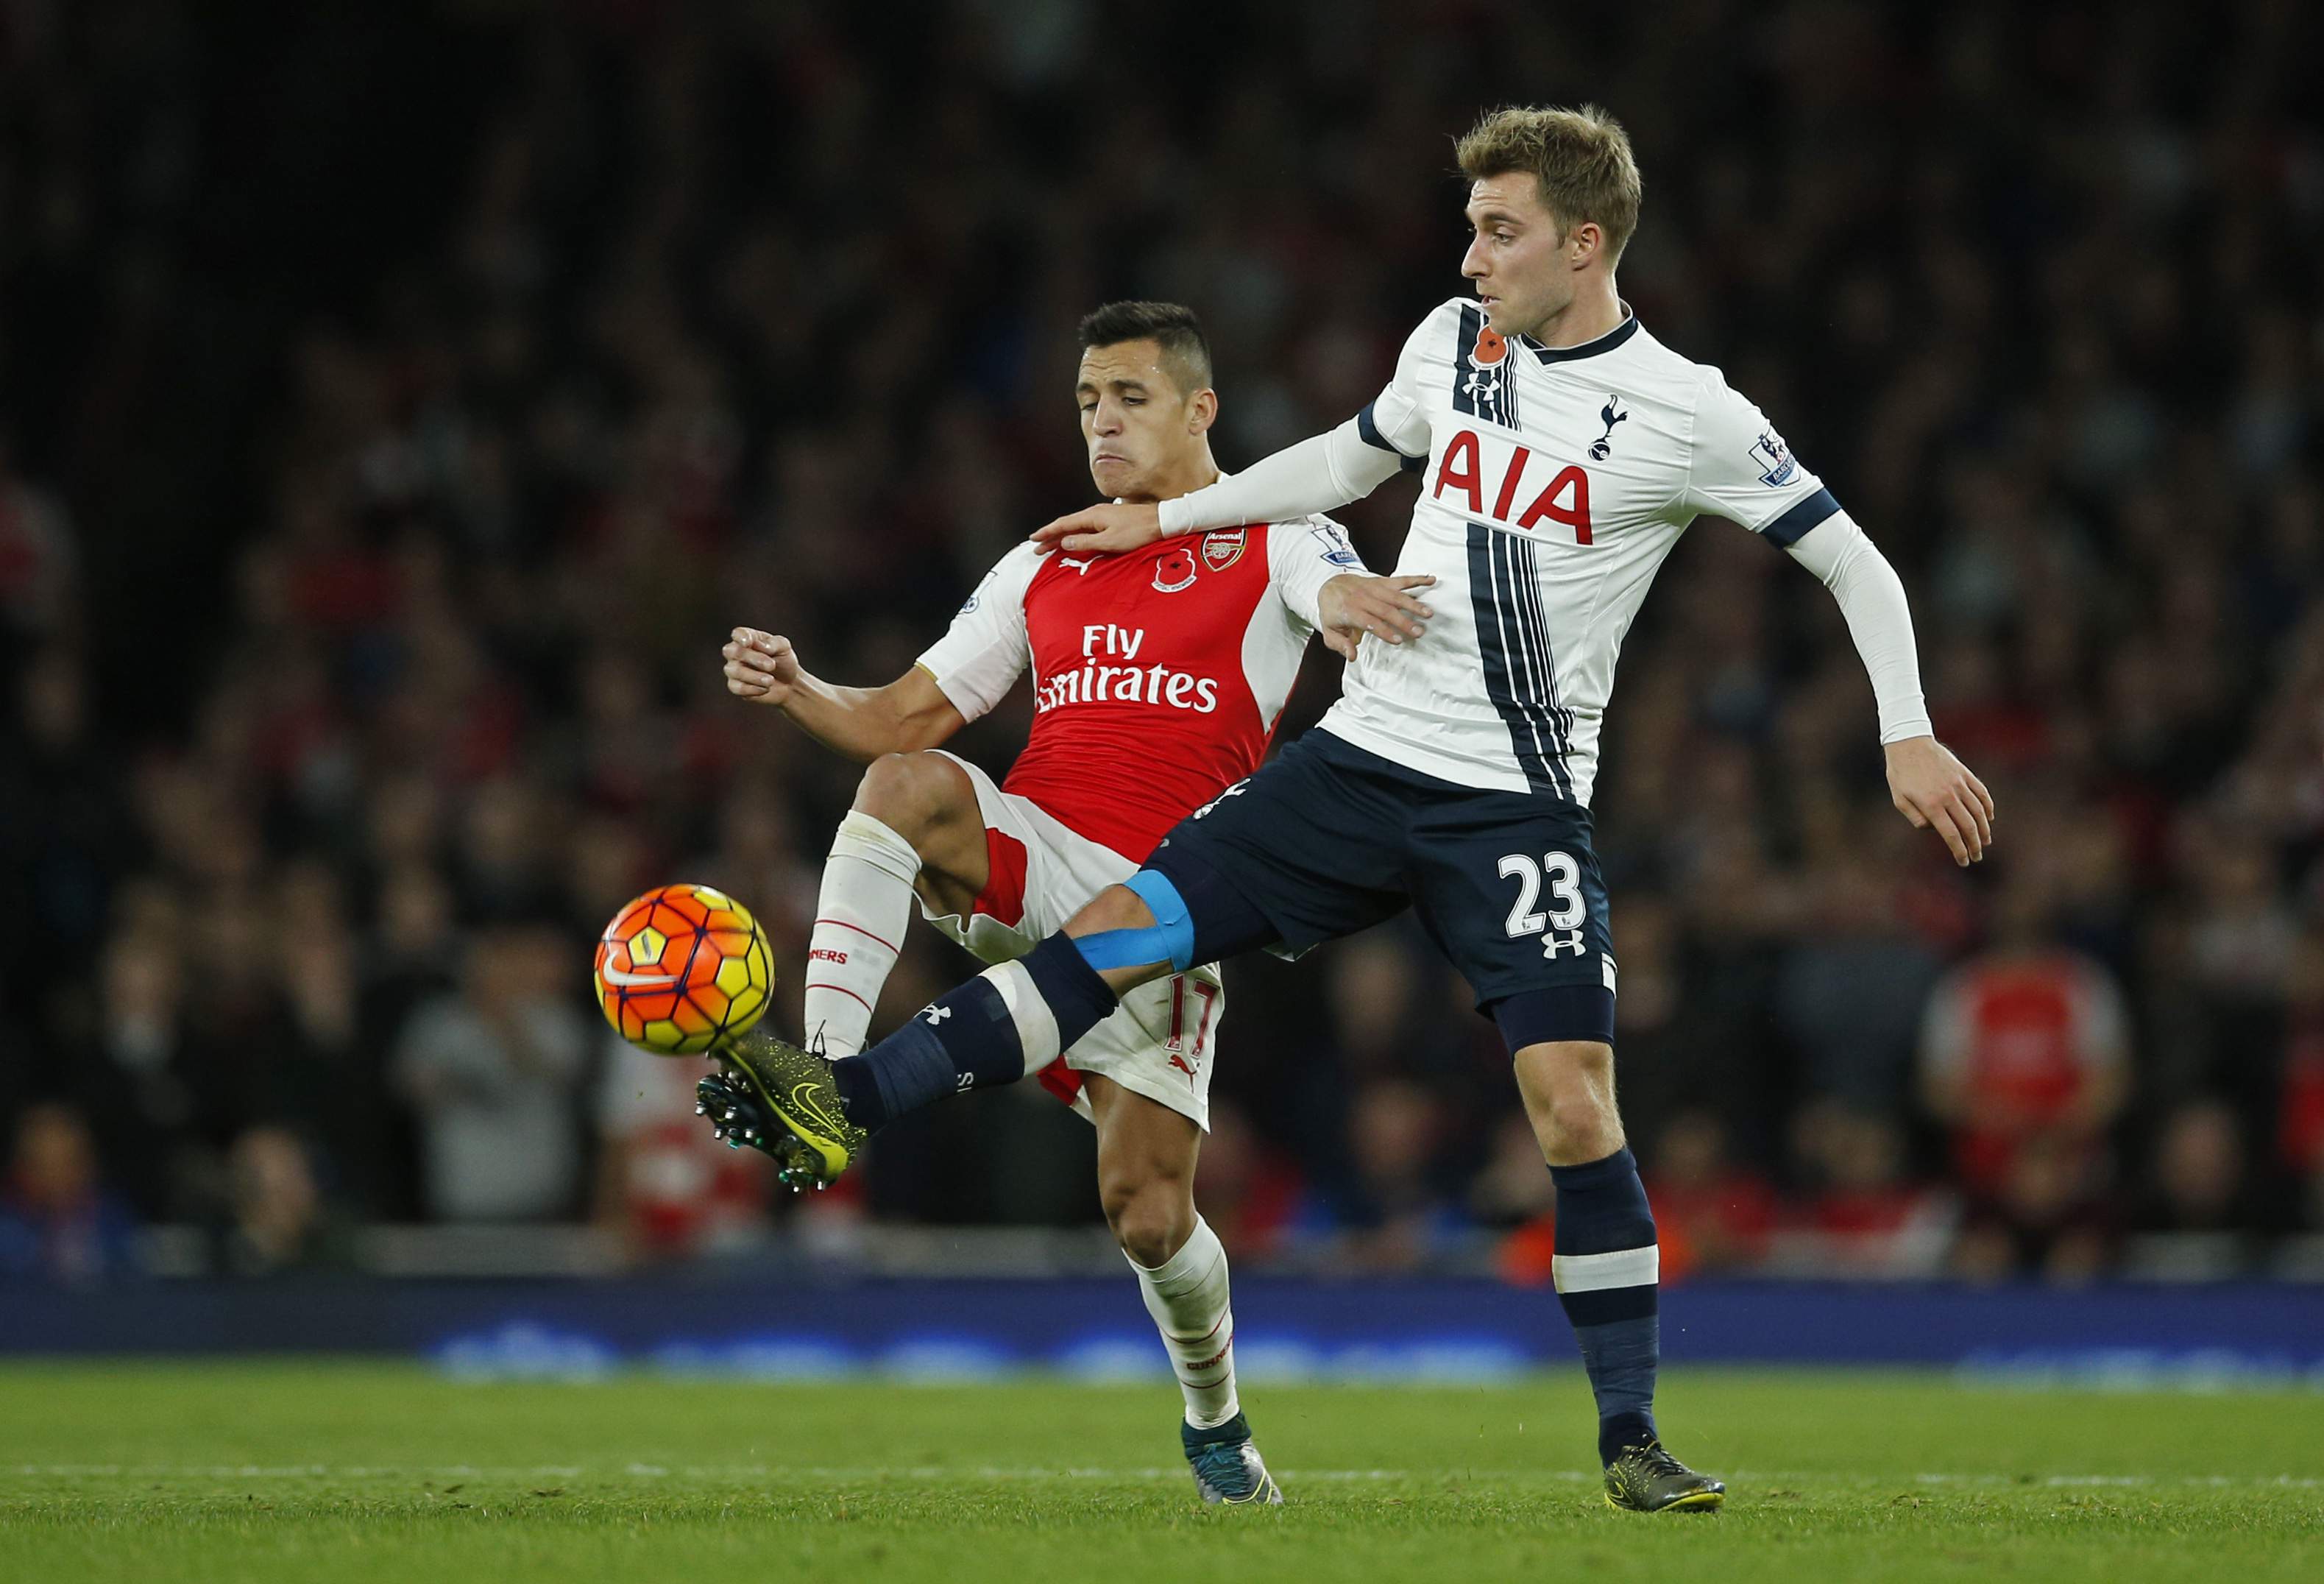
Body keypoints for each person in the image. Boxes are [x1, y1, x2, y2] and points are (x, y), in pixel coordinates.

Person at [709, 106, 1994, 1513]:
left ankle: (1630, 1437)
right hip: (1359, 763)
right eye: (1471, 224)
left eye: (1499, 229)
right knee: (1118, 937)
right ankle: (843, 1098)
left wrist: (1907, 733)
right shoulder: (1451, 342)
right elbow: (1339, 463)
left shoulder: (1692, 412)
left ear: (1583, 242)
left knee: (1571, 1108)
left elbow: (1855, 564)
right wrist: (1171, 522)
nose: (1472, 249)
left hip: (1511, 808)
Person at [704, 300, 1432, 1506]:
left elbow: (1331, 591)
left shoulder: (1279, 531)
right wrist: (798, 688)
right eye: (1088, 400)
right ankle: (825, 1081)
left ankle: (1216, 1424)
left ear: (1200, 410)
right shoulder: (1047, 556)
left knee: (1147, 1214)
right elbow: (903, 720)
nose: (1101, 422)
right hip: (1032, 852)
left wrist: (1350, 609)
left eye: (1130, 398)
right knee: (903, 785)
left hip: (1168, 905)